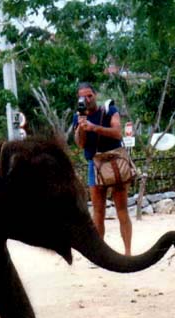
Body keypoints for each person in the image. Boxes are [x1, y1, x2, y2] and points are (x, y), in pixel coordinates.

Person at [73, 82, 132, 255]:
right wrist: (82, 127)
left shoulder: (109, 110)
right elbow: (80, 144)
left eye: (90, 95)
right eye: (83, 96)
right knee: (98, 212)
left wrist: (94, 128)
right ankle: (101, 255)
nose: (87, 99)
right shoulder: (79, 116)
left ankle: (128, 252)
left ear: (95, 95)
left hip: (115, 162)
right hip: (95, 164)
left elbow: (117, 132)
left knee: (121, 209)